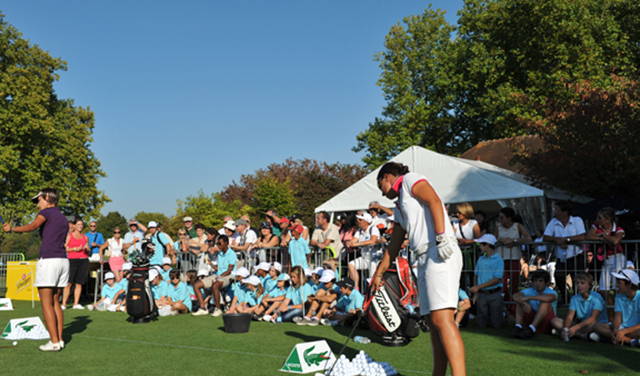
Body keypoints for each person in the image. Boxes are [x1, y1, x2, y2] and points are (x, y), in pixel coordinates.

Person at [373, 162, 466, 376]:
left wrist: (441, 235)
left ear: (387, 177)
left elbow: (433, 200)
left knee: (443, 319)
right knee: (432, 323)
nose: (381, 192)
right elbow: (394, 245)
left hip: (439, 249)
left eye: (381, 186)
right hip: (424, 257)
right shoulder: (399, 207)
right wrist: (378, 274)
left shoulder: (410, 179)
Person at [2, 188, 69, 351]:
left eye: (39, 200)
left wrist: (12, 229)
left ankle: (54, 343)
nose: (37, 203)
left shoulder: (46, 213)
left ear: (47, 198)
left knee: (45, 302)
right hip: (63, 261)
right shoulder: (62, 217)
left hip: (48, 260)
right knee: (55, 302)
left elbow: (32, 226)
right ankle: (59, 340)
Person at [543, 201, 586, 303]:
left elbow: (582, 236)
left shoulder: (577, 220)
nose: (555, 213)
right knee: (558, 276)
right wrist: (557, 240)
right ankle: (565, 296)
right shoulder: (553, 222)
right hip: (561, 257)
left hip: (576, 255)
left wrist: (566, 240)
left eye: (557, 210)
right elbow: (545, 237)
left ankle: (579, 299)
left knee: (578, 280)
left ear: (565, 212)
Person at [586, 207, 625, 308]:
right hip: (604, 260)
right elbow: (588, 236)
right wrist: (605, 238)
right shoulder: (596, 225)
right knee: (603, 289)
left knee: (618, 288)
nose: (597, 219)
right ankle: (611, 313)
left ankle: (619, 311)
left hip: (617, 259)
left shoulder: (618, 229)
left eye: (600, 218)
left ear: (608, 220)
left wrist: (603, 236)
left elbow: (616, 241)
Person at [549, 272, 607, 341]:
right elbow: (569, 316)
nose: (579, 285)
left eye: (582, 283)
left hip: (594, 324)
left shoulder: (597, 297)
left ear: (590, 285)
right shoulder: (574, 298)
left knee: (595, 326)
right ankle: (581, 335)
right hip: (581, 325)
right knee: (554, 321)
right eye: (577, 283)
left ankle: (572, 333)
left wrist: (576, 327)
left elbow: (593, 318)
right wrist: (566, 328)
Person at [591, 269, 640, 347]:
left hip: (634, 330)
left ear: (629, 284)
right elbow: (617, 318)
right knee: (596, 325)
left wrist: (623, 331)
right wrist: (616, 330)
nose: (616, 285)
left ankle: (608, 338)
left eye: (619, 283)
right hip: (622, 328)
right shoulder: (618, 297)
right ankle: (629, 341)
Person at [192, 235, 236, 317]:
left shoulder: (232, 254)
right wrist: (210, 264)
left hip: (229, 276)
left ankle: (218, 309)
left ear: (226, 243)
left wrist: (219, 277)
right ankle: (203, 308)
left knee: (215, 285)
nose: (218, 246)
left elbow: (229, 270)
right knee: (196, 285)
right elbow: (219, 269)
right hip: (219, 275)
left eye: (220, 243)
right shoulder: (220, 254)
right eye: (217, 244)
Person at [468, 234, 506, 329]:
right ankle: (493, 315)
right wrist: (477, 292)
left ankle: (503, 315)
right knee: (481, 325)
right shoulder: (480, 259)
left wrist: (478, 287)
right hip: (482, 294)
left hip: (494, 294)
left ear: (488, 245)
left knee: (497, 325)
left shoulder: (499, 260)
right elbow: (475, 275)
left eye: (481, 244)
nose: (479, 246)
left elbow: (497, 280)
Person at [494, 207, 531, 300]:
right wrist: (502, 240)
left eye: (502, 217)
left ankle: (514, 305)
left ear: (509, 218)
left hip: (514, 258)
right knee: (502, 284)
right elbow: (493, 240)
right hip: (500, 259)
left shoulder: (517, 226)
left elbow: (528, 238)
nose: (499, 220)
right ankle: (507, 304)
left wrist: (513, 240)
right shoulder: (498, 227)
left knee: (514, 284)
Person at [509, 270, 558, 340]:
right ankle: (518, 326)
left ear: (546, 282)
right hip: (532, 318)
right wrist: (523, 302)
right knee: (520, 301)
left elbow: (551, 298)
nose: (538, 283)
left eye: (541, 281)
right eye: (535, 280)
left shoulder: (551, 292)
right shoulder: (530, 290)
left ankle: (532, 329)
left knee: (545, 302)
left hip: (548, 321)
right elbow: (515, 296)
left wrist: (528, 297)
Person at [346, 211, 380, 290]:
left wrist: (358, 244)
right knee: (351, 264)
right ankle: (356, 288)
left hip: (374, 259)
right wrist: (349, 243)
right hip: (364, 258)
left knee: (372, 279)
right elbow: (353, 240)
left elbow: (373, 241)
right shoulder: (359, 231)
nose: (358, 220)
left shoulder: (373, 228)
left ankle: (373, 296)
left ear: (366, 222)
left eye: (360, 220)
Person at [62, 218, 91, 310]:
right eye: (78, 224)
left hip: (83, 260)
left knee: (79, 283)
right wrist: (74, 249)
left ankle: (76, 304)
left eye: (81, 225)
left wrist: (87, 249)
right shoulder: (69, 236)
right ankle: (63, 304)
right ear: (74, 226)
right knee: (69, 283)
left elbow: (88, 248)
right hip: (72, 260)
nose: (80, 226)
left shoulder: (85, 237)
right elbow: (64, 249)